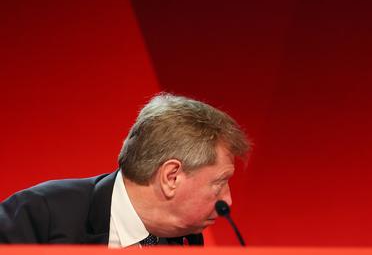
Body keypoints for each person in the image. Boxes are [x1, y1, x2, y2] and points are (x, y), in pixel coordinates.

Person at [0, 93, 250, 247]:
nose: (227, 199)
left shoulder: (185, 240)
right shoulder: (42, 213)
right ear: (171, 176)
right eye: (220, 182)